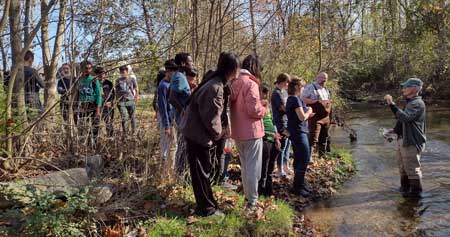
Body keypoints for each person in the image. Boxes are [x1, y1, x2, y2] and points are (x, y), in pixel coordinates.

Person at [181, 52, 240, 217]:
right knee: (201, 175)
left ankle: (208, 205)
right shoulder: (216, 87)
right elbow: (211, 119)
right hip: (197, 136)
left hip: (196, 134)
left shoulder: (215, 82)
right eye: (238, 67)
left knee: (202, 173)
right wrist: (218, 135)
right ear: (233, 69)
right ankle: (206, 210)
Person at [230, 54, 267, 211]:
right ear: (255, 67)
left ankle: (248, 198)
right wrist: (265, 108)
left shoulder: (234, 81)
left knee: (245, 167)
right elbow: (254, 111)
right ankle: (252, 201)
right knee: (253, 169)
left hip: (238, 131)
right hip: (252, 132)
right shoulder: (251, 84)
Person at [384, 78, 426, 198]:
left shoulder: (417, 103)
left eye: (406, 87)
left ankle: (416, 198)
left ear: (414, 88)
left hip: (412, 142)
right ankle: (405, 191)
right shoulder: (409, 102)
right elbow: (404, 121)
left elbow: (405, 118)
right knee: (403, 169)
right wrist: (394, 130)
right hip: (403, 140)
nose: (403, 89)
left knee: (412, 171)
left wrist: (391, 104)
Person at [286, 77, 315, 197]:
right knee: (304, 158)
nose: (303, 89)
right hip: (298, 133)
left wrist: (307, 111)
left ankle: (299, 185)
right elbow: (302, 117)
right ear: (298, 87)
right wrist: (309, 111)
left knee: (299, 158)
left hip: (297, 132)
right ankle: (298, 188)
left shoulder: (293, 99)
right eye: (302, 87)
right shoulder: (295, 99)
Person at [259, 84, 281, 196]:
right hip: (264, 139)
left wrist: (276, 135)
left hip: (273, 138)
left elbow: (272, 122)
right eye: (263, 92)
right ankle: (261, 191)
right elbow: (256, 126)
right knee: (264, 166)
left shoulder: (268, 106)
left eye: (266, 93)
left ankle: (269, 190)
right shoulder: (256, 107)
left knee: (271, 166)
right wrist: (269, 134)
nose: (265, 95)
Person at [302, 72, 332, 157]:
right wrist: (312, 102)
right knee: (313, 138)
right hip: (315, 117)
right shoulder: (310, 87)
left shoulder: (326, 89)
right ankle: (308, 157)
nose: (323, 80)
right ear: (317, 78)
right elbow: (303, 98)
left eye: (325, 78)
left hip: (326, 118)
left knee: (324, 137)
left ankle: (322, 156)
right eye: (322, 78)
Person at [75, 60, 102, 145]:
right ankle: (84, 143)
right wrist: (76, 106)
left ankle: (94, 143)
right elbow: (76, 94)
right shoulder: (78, 81)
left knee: (95, 126)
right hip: (82, 105)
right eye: (86, 68)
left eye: (90, 68)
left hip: (93, 104)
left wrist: (98, 109)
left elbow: (98, 95)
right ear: (81, 69)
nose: (88, 70)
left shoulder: (94, 80)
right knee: (83, 126)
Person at [158, 60, 178, 172]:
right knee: (167, 146)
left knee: (173, 146)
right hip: (167, 121)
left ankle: (170, 169)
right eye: (173, 72)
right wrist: (167, 125)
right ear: (168, 72)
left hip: (174, 119)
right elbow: (163, 107)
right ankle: (166, 171)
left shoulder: (173, 83)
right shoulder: (163, 86)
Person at [271, 73, 292, 176]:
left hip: (287, 122)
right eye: (288, 82)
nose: (289, 84)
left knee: (288, 145)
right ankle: (280, 169)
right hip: (280, 123)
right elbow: (282, 108)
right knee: (282, 146)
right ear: (284, 82)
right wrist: (294, 110)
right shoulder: (276, 93)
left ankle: (286, 166)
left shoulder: (285, 92)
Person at [115, 65, 138, 136]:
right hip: (121, 101)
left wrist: (136, 96)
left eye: (124, 72)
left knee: (133, 117)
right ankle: (126, 134)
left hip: (130, 100)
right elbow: (116, 91)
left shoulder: (132, 79)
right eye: (121, 72)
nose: (122, 73)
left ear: (127, 71)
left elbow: (136, 88)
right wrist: (117, 100)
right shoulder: (118, 80)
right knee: (124, 118)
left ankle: (134, 133)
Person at [24, 50, 45, 117]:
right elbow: (43, 85)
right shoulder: (32, 71)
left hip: (19, 99)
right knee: (36, 118)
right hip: (32, 97)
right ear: (30, 60)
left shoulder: (14, 71)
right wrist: (41, 77)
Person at [95, 67, 115, 137]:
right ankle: (97, 138)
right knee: (96, 123)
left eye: (103, 73)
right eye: (99, 74)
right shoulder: (94, 83)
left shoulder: (109, 83)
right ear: (96, 74)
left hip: (107, 106)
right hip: (97, 107)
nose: (102, 75)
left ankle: (110, 137)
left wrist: (111, 102)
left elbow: (113, 94)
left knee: (108, 122)